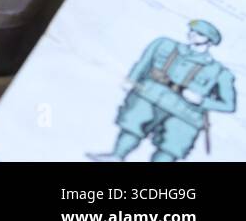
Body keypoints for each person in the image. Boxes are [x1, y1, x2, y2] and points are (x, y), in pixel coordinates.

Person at [88, 19, 236, 162]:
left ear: (209, 41)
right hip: (150, 96)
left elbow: (229, 105)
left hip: (184, 111)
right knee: (132, 126)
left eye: (199, 34)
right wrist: (131, 80)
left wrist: (201, 100)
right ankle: (117, 156)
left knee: (171, 147)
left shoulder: (219, 71)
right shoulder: (164, 44)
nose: (193, 34)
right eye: (192, 30)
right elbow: (143, 63)